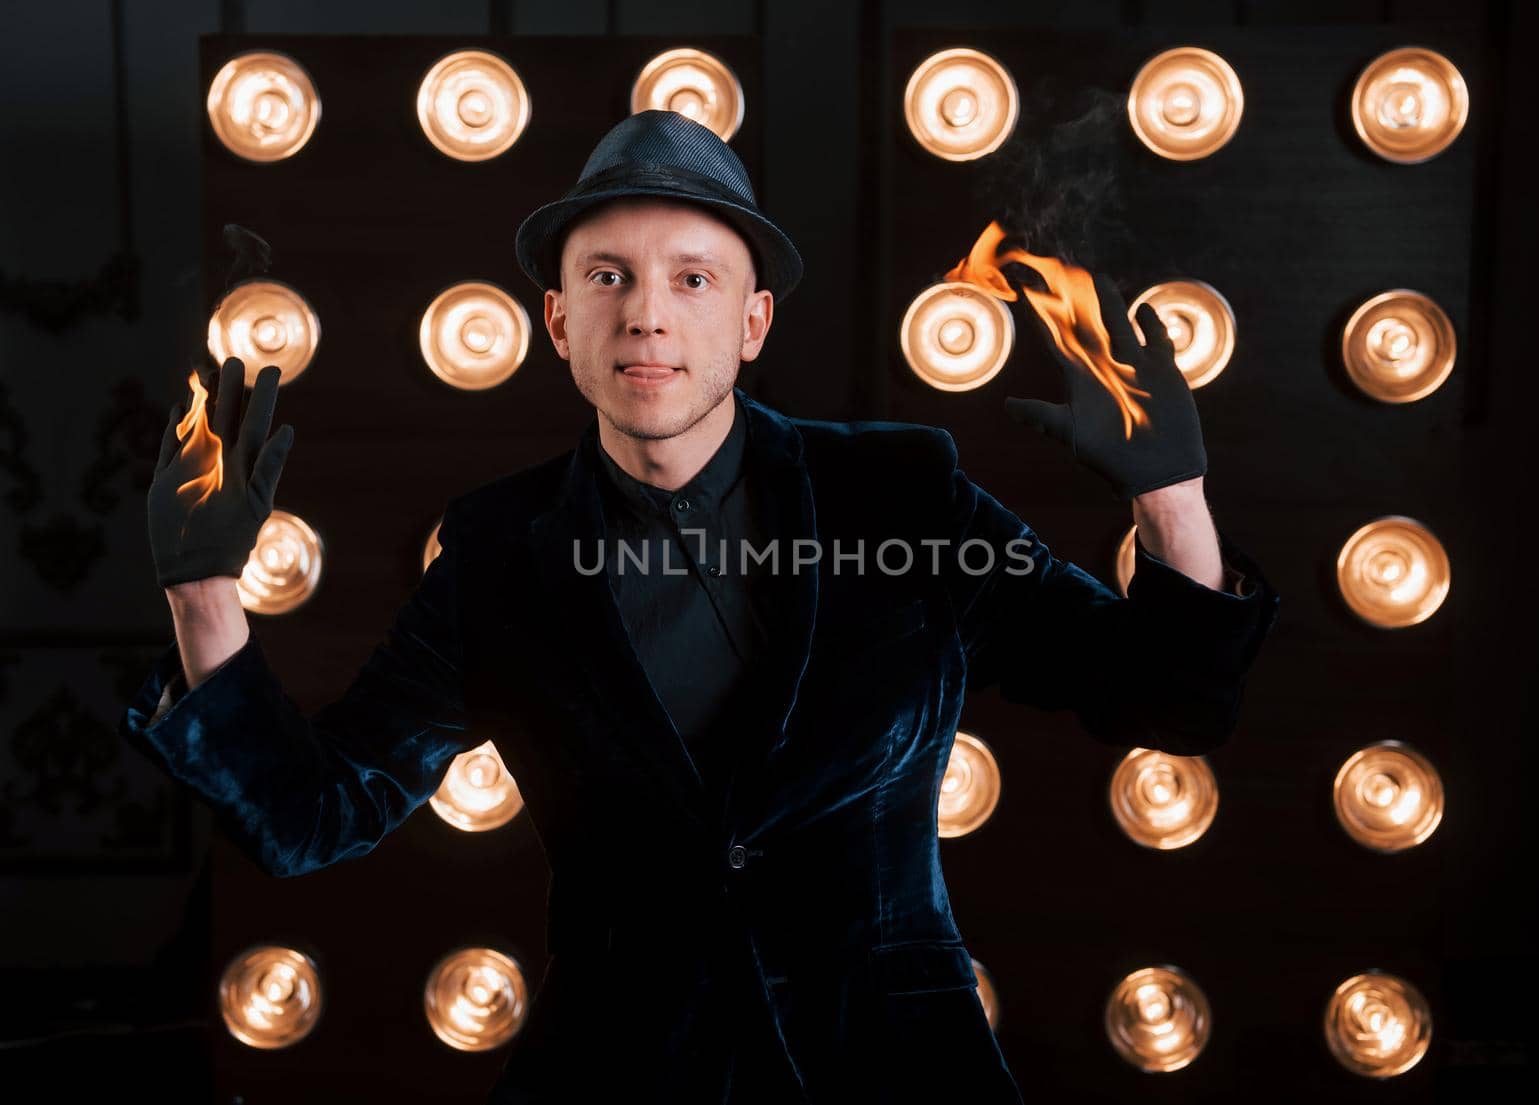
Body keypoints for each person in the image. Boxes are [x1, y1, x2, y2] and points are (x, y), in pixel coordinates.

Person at [125, 109, 1281, 1103]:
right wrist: (202, 595)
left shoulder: (899, 496)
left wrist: (1171, 501)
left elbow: (1171, 699)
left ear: (752, 322)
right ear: (557, 323)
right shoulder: (494, 555)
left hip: (888, 1068)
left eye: (692, 278)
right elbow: (308, 816)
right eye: (607, 278)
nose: (647, 314)